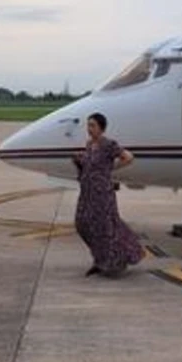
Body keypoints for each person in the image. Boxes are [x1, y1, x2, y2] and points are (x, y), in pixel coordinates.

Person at [72, 112, 143, 277]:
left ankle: (106, 262)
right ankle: (101, 258)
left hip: (102, 193)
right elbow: (90, 164)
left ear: (101, 128)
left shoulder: (108, 144)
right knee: (82, 224)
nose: (89, 129)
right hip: (88, 191)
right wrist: (79, 160)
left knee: (104, 228)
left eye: (92, 125)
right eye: (88, 125)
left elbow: (129, 157)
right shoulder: (89, 144)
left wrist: (111, 168)